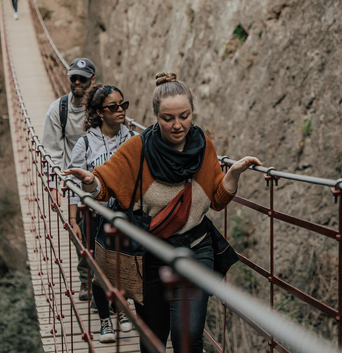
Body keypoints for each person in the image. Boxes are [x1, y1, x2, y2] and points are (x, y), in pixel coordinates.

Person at [63, 72, 262, 353]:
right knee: (153, 339)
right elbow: (105, 186)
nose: (178, 125)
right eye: (168, 118)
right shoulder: (137, 148)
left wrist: (234, 175)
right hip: (149, 255)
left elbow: (216, 200)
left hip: (195, 249)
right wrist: (90, 181)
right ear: (156, 116)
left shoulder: (203, 146)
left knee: (188, 338)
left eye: (185, 115)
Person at [66, 84, 136, 342]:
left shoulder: (132, 140)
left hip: (124, 213)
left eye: (123, 105)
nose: (120, 111)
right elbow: (73, 183)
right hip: (94, 215)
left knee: (126, 263)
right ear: (99, 112)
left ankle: (123, 311)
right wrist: (73, 219)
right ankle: (105, 321)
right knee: (99, 269)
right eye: (113, 107)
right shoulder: (85, 143)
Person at [43, 57, 96, 298]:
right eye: (73, 77)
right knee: (80, 230)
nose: (77, 82)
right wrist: (54, 186)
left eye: (82, 79)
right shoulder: (58, 110)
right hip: (74, 182)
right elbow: (51, 151)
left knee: (105, 231)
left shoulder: (100, 107)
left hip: (102, 179)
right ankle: (87, 282)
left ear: (91, 81)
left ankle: (107, 285)